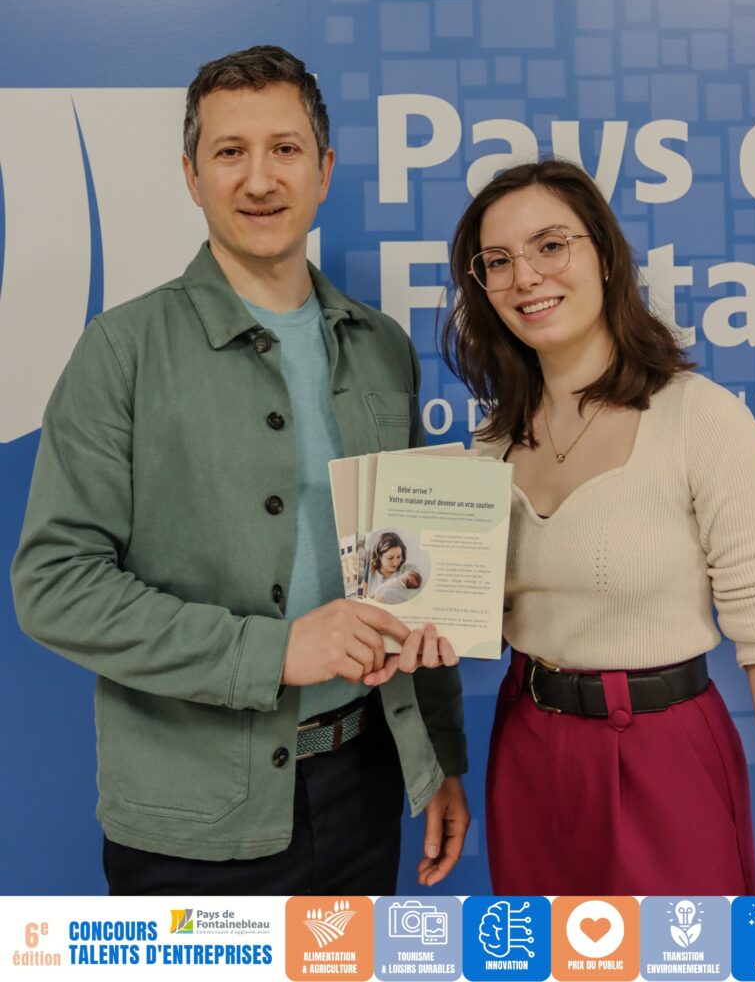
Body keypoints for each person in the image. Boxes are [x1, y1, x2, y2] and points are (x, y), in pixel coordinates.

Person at [11, 45, 468, 896]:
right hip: (190, 817)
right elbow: (55, 585)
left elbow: (413, 576)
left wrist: (438, 757)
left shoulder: (382, 347)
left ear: (324, 170)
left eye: (285, 149)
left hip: (366, 784)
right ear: (191, 176)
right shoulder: (121, 352)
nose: (260, 179)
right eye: (230, 152)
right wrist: (273, 651)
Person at [442, 157, 755, 896]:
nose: (526, 276)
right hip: (527, 755)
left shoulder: (698, 419)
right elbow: (475, 620)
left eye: (551, 245)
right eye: (499, 261)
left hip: (665, 758)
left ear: (607, 258)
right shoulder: (491, 445)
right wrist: (418, 623)